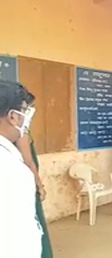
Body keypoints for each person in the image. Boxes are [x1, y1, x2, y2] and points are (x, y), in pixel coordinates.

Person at [0, 80, 42, 257]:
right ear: (13, 116)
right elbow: (17, 238)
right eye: (25, 111)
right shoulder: (12, 170)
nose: (27, 118)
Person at [15, 92, 54, 257]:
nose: (31, 110)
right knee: (35, 225)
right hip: (27, 185)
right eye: (28, 107)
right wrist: (39, 186)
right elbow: (28, 162)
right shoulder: (20, 132)